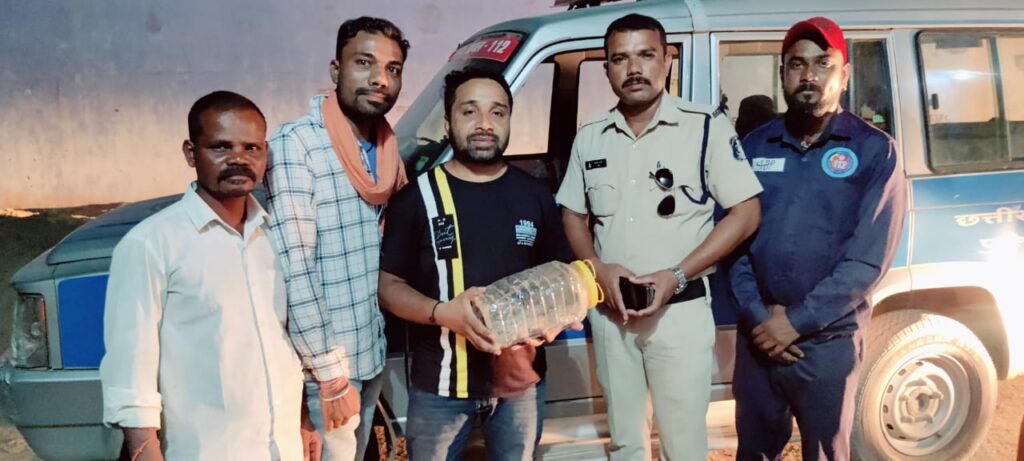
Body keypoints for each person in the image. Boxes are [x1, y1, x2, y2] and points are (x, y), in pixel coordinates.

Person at [556, 13, 763, 460]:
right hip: (612, 315)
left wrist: (676, 275)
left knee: (683, 447)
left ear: (667, 60)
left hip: (679, 313)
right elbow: (572, 213)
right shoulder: (591, 136)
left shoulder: (703, 125)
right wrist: (597, 267)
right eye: (620, 59)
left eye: (646, 55)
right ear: (607, 69)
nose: (634, 68)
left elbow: (746, 213)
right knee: (625, 444)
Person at [100, 91, 320, 461]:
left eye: (251, 148)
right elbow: (130, 367)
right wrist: (144, 451)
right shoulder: (150, 243)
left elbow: (279, 342)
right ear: (190, 153)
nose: (239, 159)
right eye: (221, 147)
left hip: (282, 449)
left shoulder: (275, 235)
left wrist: (302, 421)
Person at [729, 17, 906, 461]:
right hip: (759, 339)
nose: (808, 74)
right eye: (797, 64)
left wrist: (797, 321)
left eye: (822, 63)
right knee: (753, 452)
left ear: (844, 75)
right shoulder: (754, 147)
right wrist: (760, 316)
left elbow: (866, 261)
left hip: (828, 342)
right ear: (782, 74)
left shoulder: (874, 150)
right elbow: (732, 242)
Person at [378, 67, 575, 461]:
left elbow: (563, 277)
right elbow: (389, 286)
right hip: (440, 388)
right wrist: (442, 313)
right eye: (470, 111)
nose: (485, 123)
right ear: (447, 123)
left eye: (497, 112)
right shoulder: (417, 198)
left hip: (520, 385)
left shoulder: (535, 196)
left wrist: (557, 318)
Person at [265, 16, 409, 461]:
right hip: (325, 367)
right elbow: (295, 268)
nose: (379, 79)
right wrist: (330, 377)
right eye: (364, 63)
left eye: (392, 69)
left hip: (369, 349)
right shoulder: (297, 145)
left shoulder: (385, 149)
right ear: (335, 70)